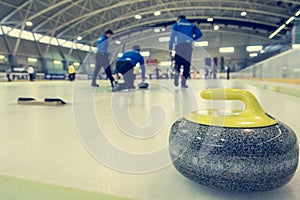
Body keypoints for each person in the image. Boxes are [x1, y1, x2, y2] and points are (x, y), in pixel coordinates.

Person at [169, 15, 203, 88]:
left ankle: (176, 76)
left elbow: (172, 37)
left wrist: (170, 48)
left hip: (179, 46)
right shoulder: (191, 25)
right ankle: (183, 83)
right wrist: (192, 39)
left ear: (178, 19)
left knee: (178, 63)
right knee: (186, 65)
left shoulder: (176, 25)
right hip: (188, 46)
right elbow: (200, 34)